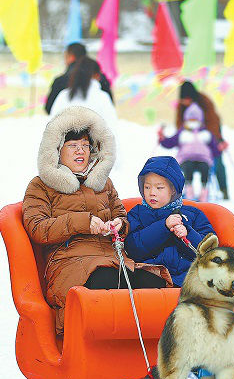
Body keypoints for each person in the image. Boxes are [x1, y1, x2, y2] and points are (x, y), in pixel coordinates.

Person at [22, 106, 171, 333]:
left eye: (85, 145)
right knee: (105, 281)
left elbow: (121, 214)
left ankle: (149, 355)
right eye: (72, 145)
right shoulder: (40, 185)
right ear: (56, 150)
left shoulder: (103, 183)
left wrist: (120, 224)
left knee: (155, 284)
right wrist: (82, 222)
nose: (80, 151)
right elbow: (38, 228)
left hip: (113, 259)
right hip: (69, 261)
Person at [125, 156, 215, 287]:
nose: (152, 193)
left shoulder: (193, 214)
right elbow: (133, 248)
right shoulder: (136, 214)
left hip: (188, 278)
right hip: (151, 276)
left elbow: (210, 250)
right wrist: (163, 227)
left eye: (159, 188)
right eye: (147, 187)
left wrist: (187, 233)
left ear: (173, 189)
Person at [160, 81, 229, 200]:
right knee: (188, 166)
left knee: (217, 162)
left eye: (186, 99)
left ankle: (223, 189)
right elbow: (179, 123)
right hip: (190, 140)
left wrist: (216, 142)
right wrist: (184, 137)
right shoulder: (182, 107)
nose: (184, 101)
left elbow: (213, 123)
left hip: (209, 134)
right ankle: (189, 190)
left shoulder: (205, 102)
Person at [44, 42, 113, 114]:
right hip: (96, 123)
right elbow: (110, 109)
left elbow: (50, 108)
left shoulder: (61, 81)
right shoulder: (100, 78)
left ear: (71, 57)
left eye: (66, 57)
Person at [48, 57, 117, 127]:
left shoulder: (63, 95)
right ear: (97, 75)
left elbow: (52, 127)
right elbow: (111, 128)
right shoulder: (102, 97)